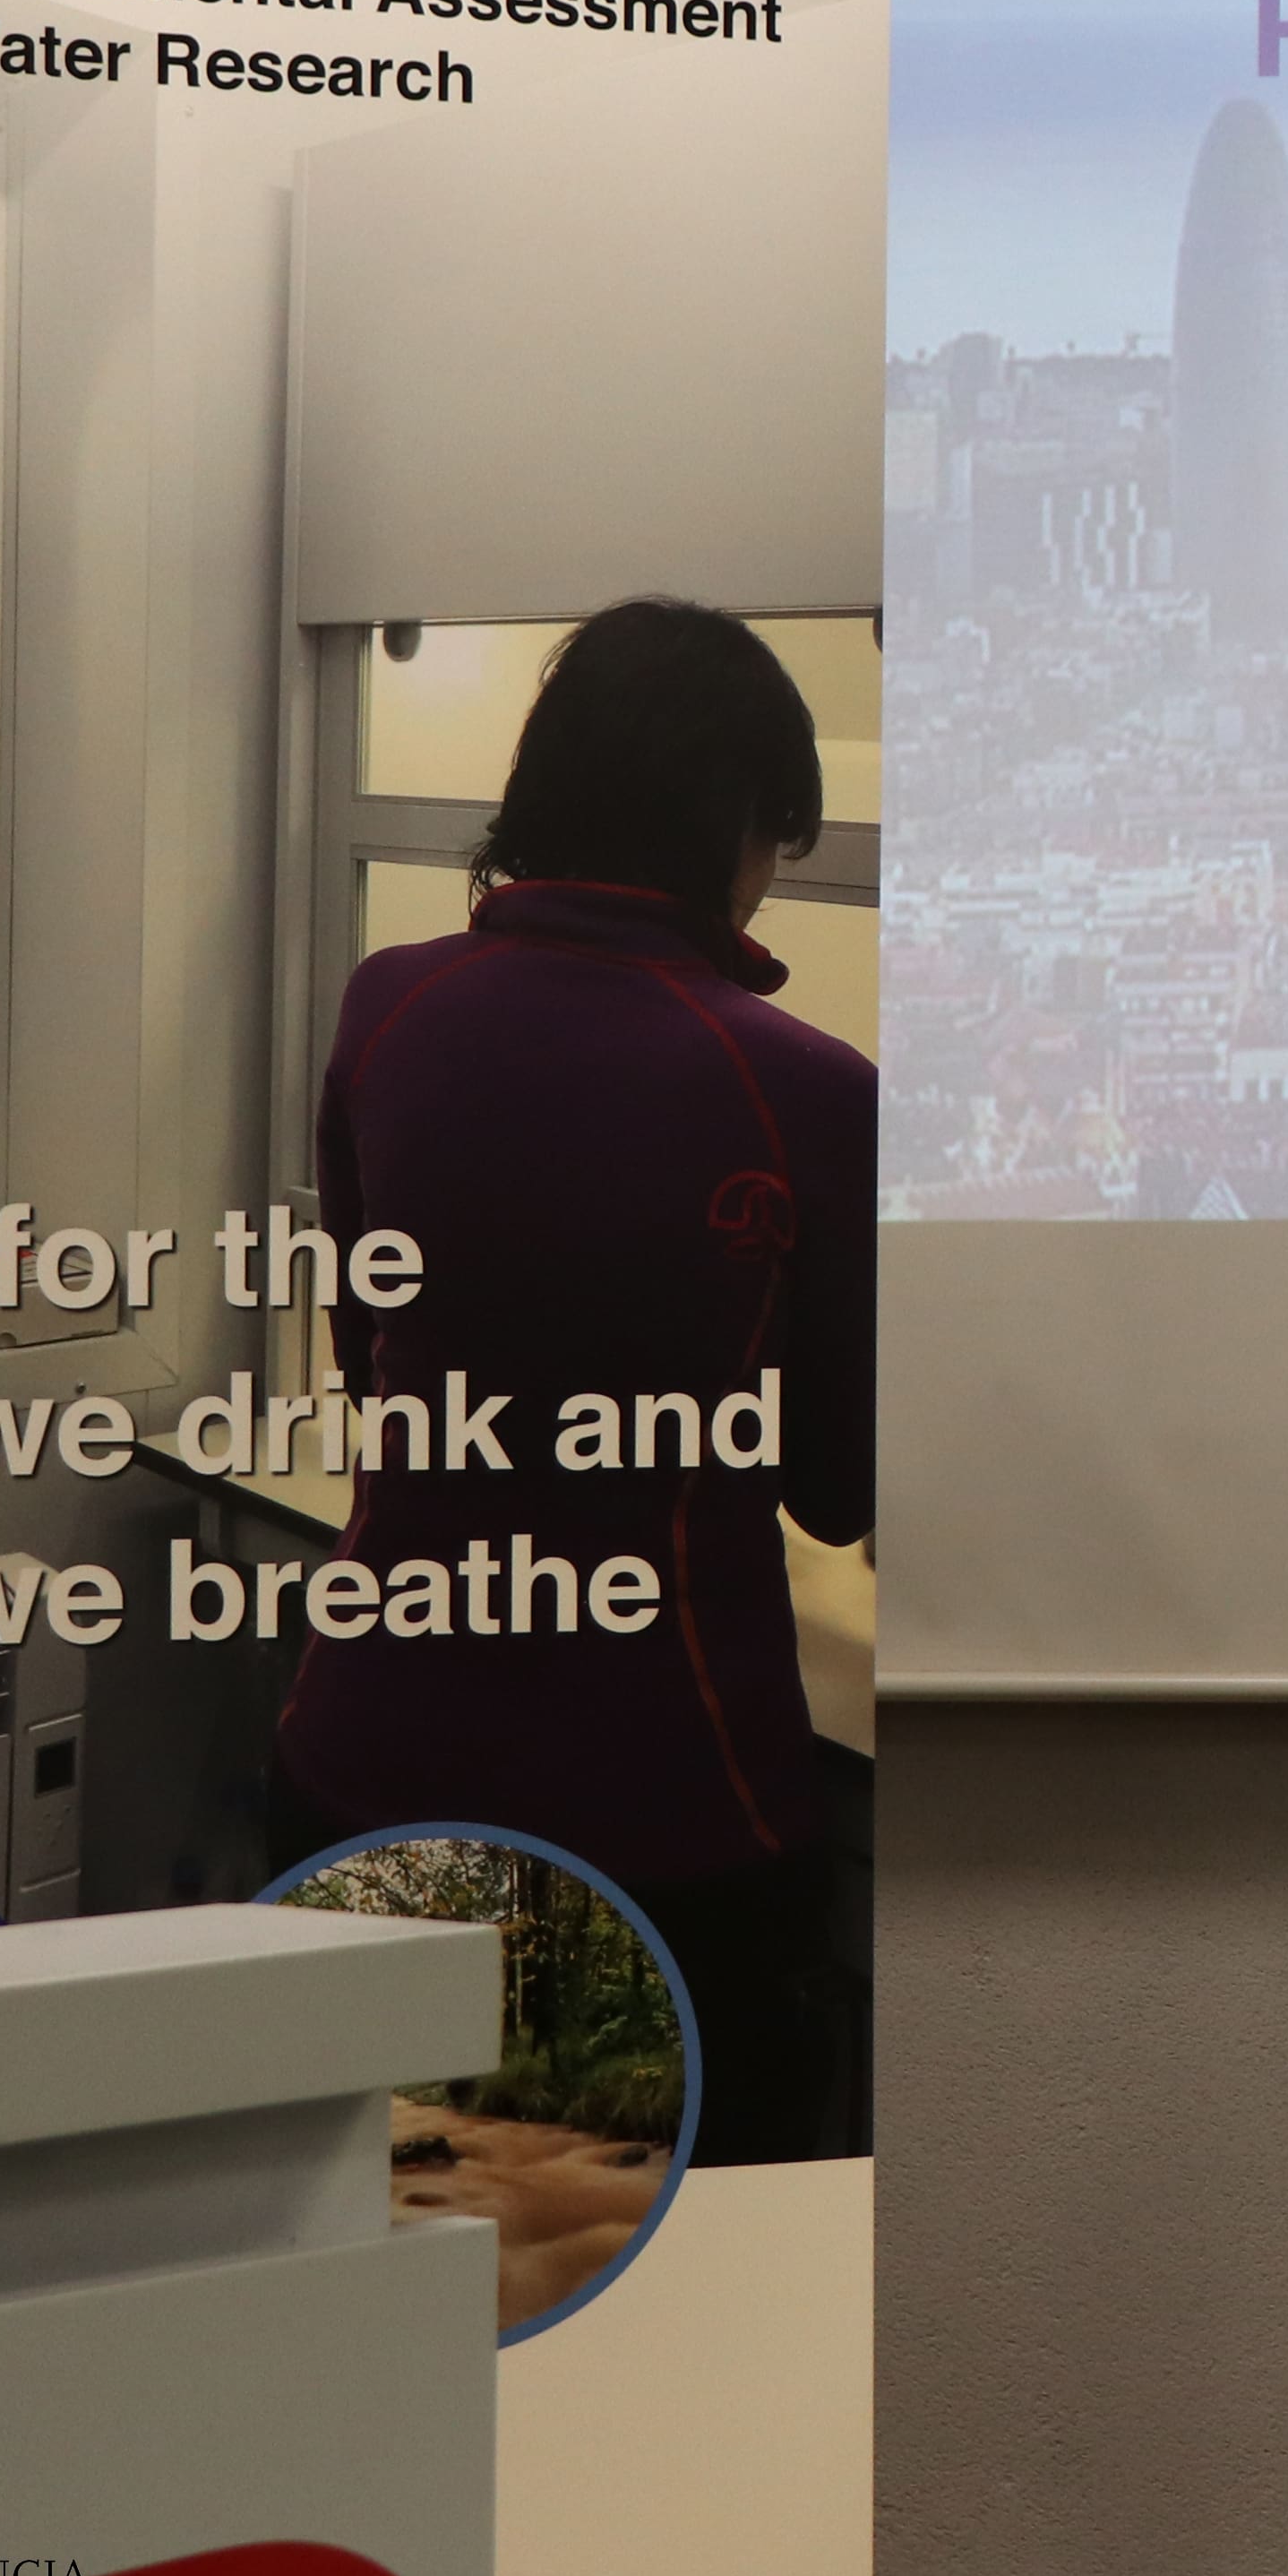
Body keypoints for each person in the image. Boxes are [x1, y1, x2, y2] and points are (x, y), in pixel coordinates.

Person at [269, 597, 878, 2161]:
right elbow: (839, 1487)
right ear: (735, 823)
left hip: (364, 1770)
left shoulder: (387, 1006)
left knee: (391, 2242)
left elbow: (373, 1362)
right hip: (670, 1819)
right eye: (775, 837)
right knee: (680, 2281)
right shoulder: (811, 1092)